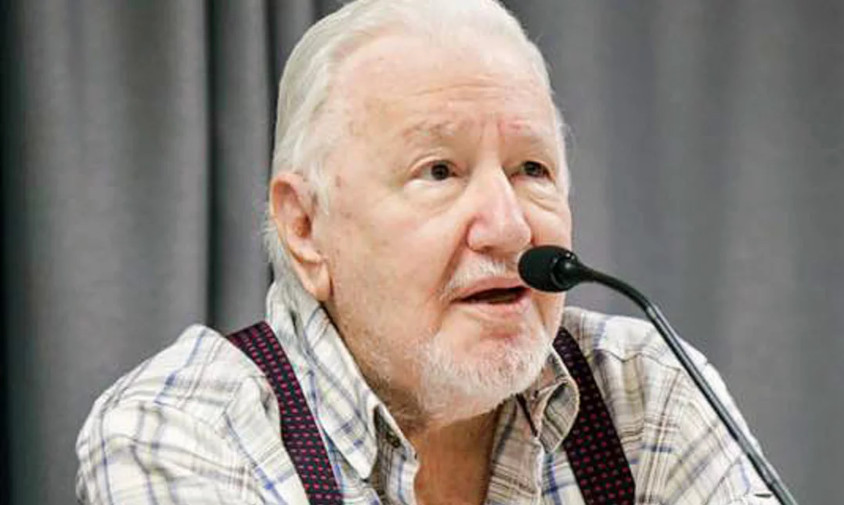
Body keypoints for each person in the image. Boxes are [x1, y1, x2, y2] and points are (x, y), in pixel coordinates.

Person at [75, 1, 778, 503]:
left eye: (532, 169)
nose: (508, 227)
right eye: (439, 171)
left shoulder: (645, 396)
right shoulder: (183, 429)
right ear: (305, 227)